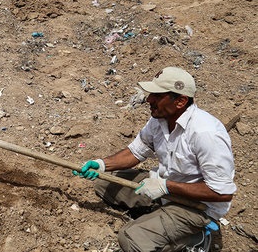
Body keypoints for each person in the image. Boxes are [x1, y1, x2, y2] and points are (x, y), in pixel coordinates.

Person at [74, 67, 236, 252]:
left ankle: (193, 239)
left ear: (181, 101)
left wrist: (165, 186)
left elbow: (222, 192)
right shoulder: (160, 119)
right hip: (167, 190)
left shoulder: (206, 134)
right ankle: (160, 219)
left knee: (130, 238)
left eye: (157, 96)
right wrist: (102, 165)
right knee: (104, 186)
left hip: (196, 208)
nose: (149, 99)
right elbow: (136, 152)